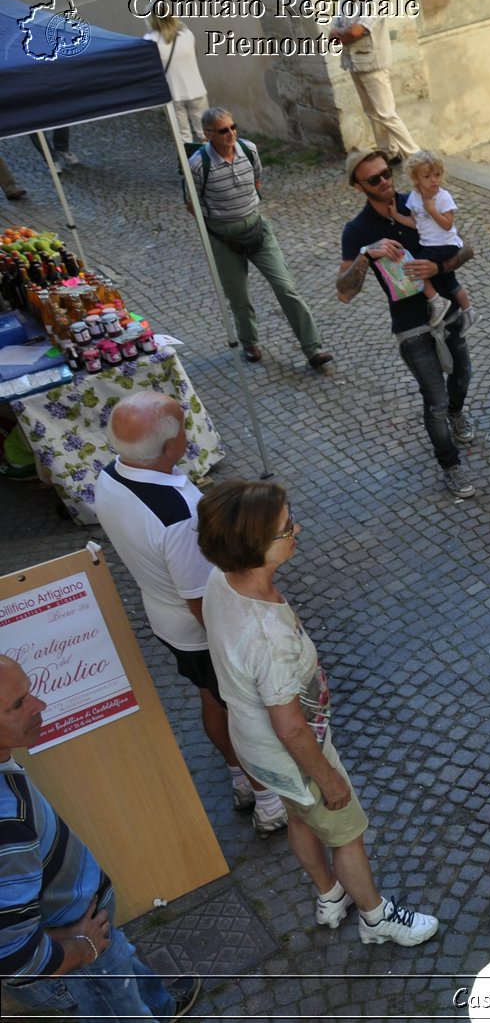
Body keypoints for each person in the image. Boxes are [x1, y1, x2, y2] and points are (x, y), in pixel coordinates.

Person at [197, 481, 439, 947]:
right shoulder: (269, 639)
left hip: (253, 746)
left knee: (299, 815)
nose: (297, 529)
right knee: (344, 830)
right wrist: (328, 779)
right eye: (287, 528)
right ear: (254, 548)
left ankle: (330, 895)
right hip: (294, 752)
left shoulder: (220, 578)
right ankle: (375, 917)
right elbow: (289, 726)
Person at [93, 392, 288, 838]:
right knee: (242, 709)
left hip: (164, 619)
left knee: (210, 696)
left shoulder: (111, 475)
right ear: (167, 447)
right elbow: (201, 597)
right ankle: (268, 799)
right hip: (200, 628)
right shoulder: (179, 519)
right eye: (182, 425)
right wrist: (236, 644)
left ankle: (239, 777)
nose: (189, 429)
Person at [0, 655, 202, 1020]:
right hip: (78, 962)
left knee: (125, 966)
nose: (39, 705)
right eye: (17, 705)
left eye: (29, 691)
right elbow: (15, 957)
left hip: (87, 923)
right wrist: (81, 948)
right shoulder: (5, 824)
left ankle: (162, 1007)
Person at [338, 149, 478, 500]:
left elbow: (466, 248)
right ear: (358, 186)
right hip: (410, 324)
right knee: (434, 400)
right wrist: (366, 254)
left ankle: (458, 412)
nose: (385, 181)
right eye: (374, 179)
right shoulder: (357, 230)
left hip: (447, 310)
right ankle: (450, 465)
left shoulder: (417, 201)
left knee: (463, 375)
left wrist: (439, 269)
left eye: (387, 172)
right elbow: (344, 292)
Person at [187, 108, 333, 367]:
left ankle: (313, 348)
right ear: (208, 134)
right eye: (223, 130)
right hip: (223, 238)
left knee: (286, 288)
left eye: (233, 126)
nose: (231, 133)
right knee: (239, 296)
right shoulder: (198, 164)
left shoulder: (249, 150)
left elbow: (257, 181)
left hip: (257, 228)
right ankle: (249, 341)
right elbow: (191, 204)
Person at [330, 0, 420, 167]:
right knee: (372, 113)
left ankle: (415, 155)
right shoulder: (345, 2)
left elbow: (355, 32)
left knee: (386, 113)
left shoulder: (373, 0)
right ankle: (388, 152)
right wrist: (344, 33)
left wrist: (344, 33)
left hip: (373, 65)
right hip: (354, 63)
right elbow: (333, 32)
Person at [398, 149, 473, 328]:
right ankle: (469, 311)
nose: (434, 180)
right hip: (430, 244)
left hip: (445, 244)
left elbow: (448, 224)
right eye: (427, 176)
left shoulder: (443, 197)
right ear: (416, 179)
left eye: (437, 175)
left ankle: (436, 301)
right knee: (450, 281)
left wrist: (431, 209)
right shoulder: (415, 197)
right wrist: (395, 214)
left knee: (414, 269)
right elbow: (415, 223)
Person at [144, 6, 208, 144]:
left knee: (183, 136)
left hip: (171, 93)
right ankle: (211, 162)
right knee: (205, 132)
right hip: (195, 88)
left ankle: (189, 163)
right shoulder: (187, 34)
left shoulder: (149, 40)